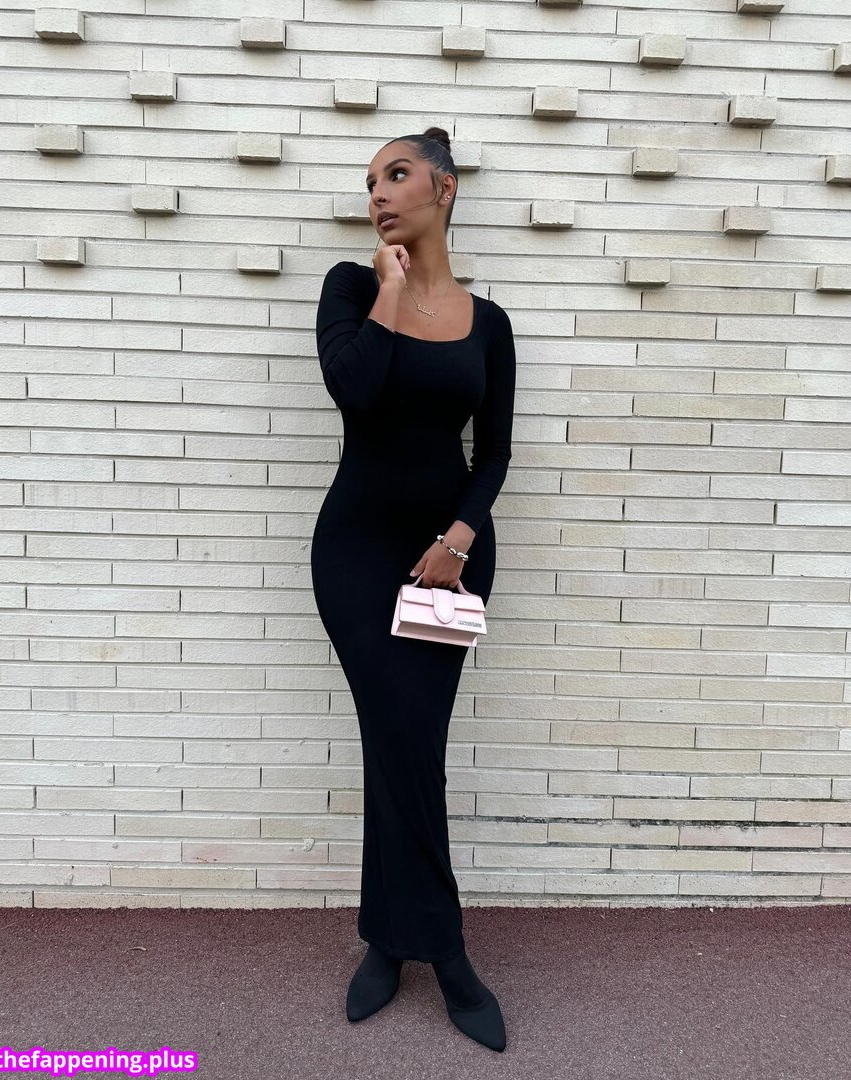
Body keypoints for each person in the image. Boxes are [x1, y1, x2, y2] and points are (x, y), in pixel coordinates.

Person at [310, 126, 517, 1053]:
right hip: (357, 555)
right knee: (396, 740)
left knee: (411, 744)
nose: (379, 194)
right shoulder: (351, 289)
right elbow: (354, 392)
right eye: (370, 182)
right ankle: (447, 952)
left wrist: (458, 538)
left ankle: (388, 942)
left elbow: (494, 451)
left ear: (445, 189)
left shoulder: (490, 323)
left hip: (452, 562)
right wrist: (389, 289)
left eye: (397, 175)